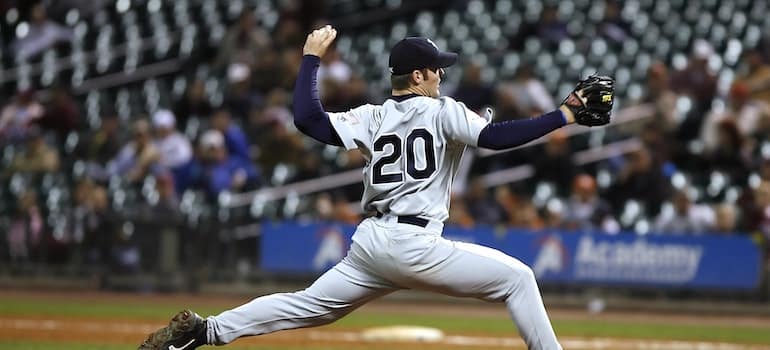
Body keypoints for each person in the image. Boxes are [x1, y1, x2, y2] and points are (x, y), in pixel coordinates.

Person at [138, 25, 614, 350]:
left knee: (308, 306)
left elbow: (306, 118)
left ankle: (208, 332)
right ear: (419, 75)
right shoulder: (442, 109)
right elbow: (494, 137)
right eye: (436, 68)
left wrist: (310, 59)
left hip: (371, 244)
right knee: (519, 279)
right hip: (416, 244)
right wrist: (565, 114)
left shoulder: (371, 116)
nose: (441, 75)